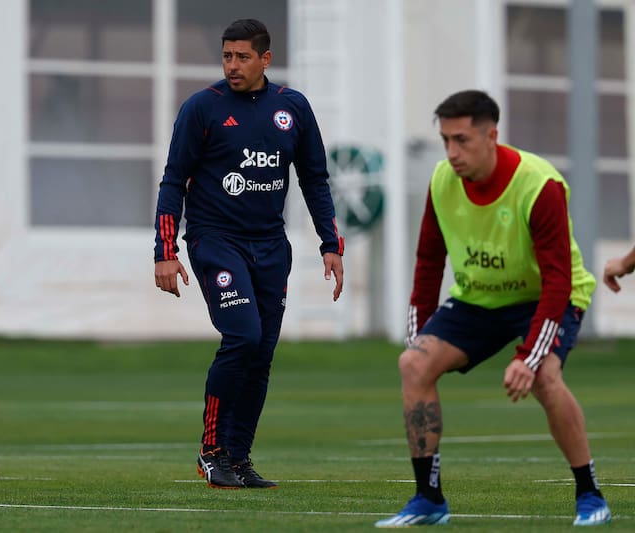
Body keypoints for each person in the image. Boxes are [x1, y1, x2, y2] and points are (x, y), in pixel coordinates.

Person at [375, 90, 611, 527]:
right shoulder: (442, 181)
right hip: (479, 298)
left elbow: (558, 279)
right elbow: (429, 262)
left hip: (547, 296)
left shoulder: (540, 184)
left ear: (492, 135)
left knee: (544, 377)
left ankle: (590, 493)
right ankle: (428, 500)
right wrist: (418, 335)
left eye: (462, 140)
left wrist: (529, 356)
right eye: (445, 140)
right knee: (413, 364)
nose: (451, 152)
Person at [153, 18, 344, 490]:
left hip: (270, 247)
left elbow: (314, 179)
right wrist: (164, 249)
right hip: (215, 241)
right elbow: (173, 181)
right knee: (242, 336)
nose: (232, 66)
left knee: (261, 353)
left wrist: (330, 244)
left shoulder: (291, 108)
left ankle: (238, 459)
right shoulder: (202, 108)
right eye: (226, 56)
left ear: (265, 59)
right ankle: (211, 452)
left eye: (242, 57)